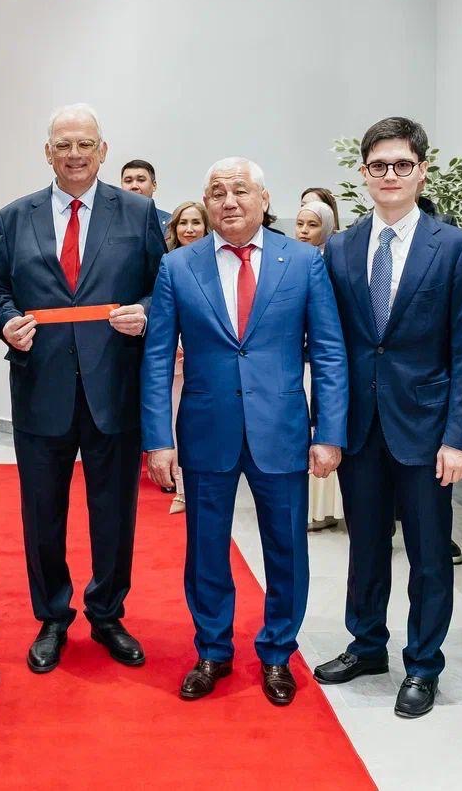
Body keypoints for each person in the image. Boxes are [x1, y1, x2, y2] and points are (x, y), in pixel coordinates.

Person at [143, 157, 348, 705]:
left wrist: (328, 432)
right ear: (206, 202)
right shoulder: (178, 267)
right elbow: (157, 357)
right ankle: (212, 649)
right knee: (205, 549)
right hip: (205, 429)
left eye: (240, 190)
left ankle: (277, 650)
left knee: (286, 548)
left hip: (281, 430)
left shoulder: (302, 262)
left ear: (264, 199)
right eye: (217, 192)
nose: (228, 201)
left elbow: (329, 352)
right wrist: (158, 438)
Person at [314, 117, 462, 720]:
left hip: (427, 428)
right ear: (364, 174)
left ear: (421, 172)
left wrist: (459, 436)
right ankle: (367, 646)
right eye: (378, 165)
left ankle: (422, 664)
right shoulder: (340, 247)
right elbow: (332, 345)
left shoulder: (456, 247)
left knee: (429, 554)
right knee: (364, 547)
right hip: (361, 426)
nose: (390, 174)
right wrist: (327, 427)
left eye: (402, 165)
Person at [0, 103, 165, 674]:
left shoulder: (138, 212)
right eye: (63, 144)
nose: (74, 154)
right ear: (48, 152)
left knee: (114, 512)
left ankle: (108, 612)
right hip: (40, 386)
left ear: (102, 150)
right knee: (42, 512)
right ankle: (52, 615)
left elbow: (161, 288)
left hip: (113, 386)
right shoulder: (14, 216)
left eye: (84, 144)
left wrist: (144, 312)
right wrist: (6, 322)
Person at [293, 200, 345, 531]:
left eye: (312, 225)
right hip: (299, 366)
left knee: (323, 435)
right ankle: (308, 511)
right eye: (299, 224)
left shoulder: (335, 265)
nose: (303, 231)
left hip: (320, 365)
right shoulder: (289, 262)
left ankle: (326, 511)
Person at [163, 201, 211, 514]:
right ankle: (181, 491)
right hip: (175, 363)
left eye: (196, 222)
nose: (189, 229)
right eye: (183, 223)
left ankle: (203, 488)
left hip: (206, 362)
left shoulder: (215, 263)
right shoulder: (167, 264)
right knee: (175, 425)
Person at [121, 158, 172, 234]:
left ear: (154, 185)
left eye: (141, 180)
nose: (134, 186)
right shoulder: (108, 219)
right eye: (128, 181)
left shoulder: (170, 223)